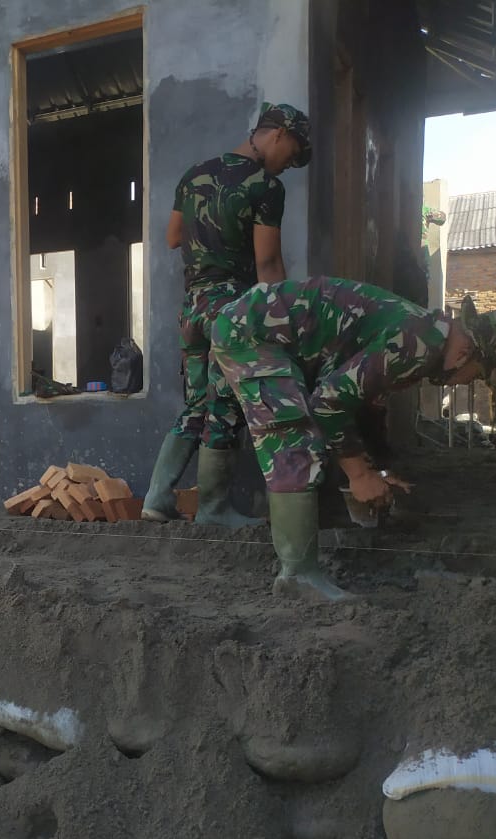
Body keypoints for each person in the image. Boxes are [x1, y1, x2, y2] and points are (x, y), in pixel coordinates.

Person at [211, 279, 496, 601]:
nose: (463, 383)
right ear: (466, 353)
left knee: (304, 432)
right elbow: (328, 402)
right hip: (254, 333)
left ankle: (260, 522)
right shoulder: (417, 345)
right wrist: (360, 475)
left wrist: (378, 470)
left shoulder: (424, 332)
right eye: (477, 375)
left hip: (256, 325)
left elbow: (361, 402)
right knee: (293, 441)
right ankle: (298, 576)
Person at [142, 102, 312, 526]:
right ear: (277, 134)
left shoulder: (194, 175)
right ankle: (214, 510)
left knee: (196, 402)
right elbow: (268, 263)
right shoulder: (265, 187)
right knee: (224, 408)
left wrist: (209, 237)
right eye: (291, 154)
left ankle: (157, 498)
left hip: (192, 308)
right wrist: (283, 321)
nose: (289, 165)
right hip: (231, 312)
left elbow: (173, 237)